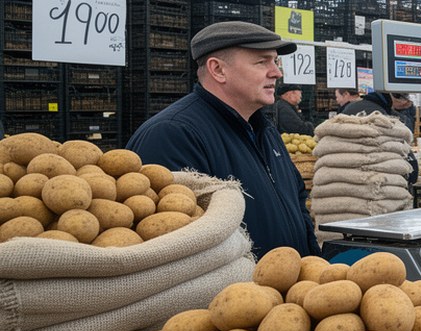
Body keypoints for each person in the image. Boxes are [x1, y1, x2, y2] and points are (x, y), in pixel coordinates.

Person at [127, 21, 318, 257]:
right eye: (262, 62)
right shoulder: (173, 135)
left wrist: (310, 262)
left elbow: (298, 199)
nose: (277, 72)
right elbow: (173, 239)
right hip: (233, 293)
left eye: (275, 61)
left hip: (286, 288)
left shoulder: (265, 131)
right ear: (218, 70)